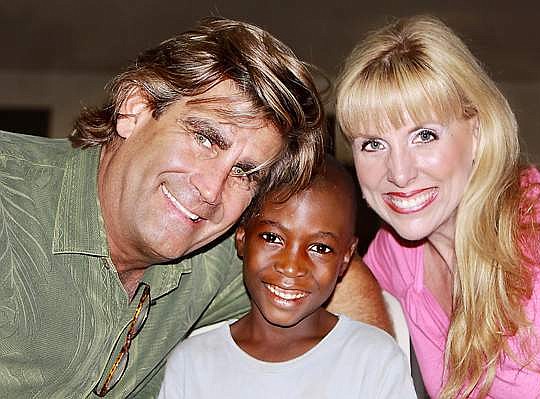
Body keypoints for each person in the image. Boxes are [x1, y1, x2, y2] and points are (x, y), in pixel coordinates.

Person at [0, 17, 389, 398]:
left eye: (244, 171)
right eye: (205, 139)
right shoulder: (10, 199)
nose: (211, 189)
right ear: (134, 109)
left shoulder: (217, 256)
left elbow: (337, 273)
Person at [336, 15, 540, 399]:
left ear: (476, 133)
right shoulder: (395, 254)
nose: (399, 173)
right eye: (372, 144)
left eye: (424, 135)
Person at [157, 156, 417, 398]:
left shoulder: (373, 359)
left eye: (320, 248)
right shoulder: (193, 363)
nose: (291, 267)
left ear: (346, 257)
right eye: (272, 238)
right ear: (242, 237)